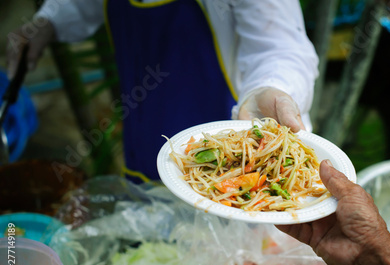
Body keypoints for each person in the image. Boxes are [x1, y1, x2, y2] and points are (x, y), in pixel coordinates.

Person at [6, 0, 318, 183]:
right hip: (146, 141)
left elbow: (282, 47)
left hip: (241, 162)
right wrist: (46, 22)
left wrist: (272, 88)